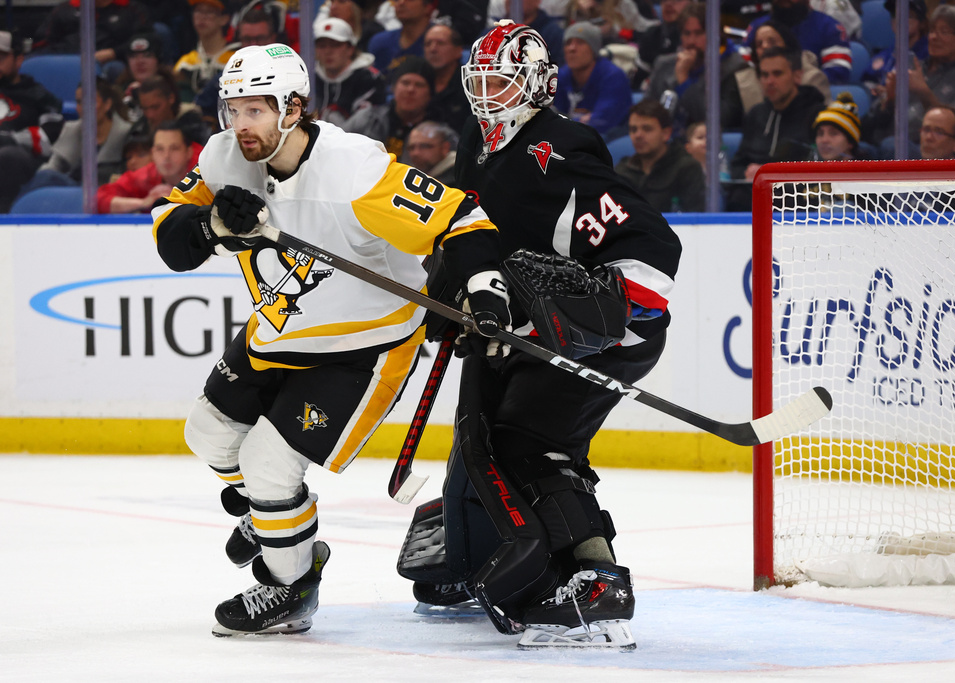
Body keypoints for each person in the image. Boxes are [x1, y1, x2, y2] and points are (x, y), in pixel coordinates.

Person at [151, 42, 509, 636]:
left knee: (268, 467)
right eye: (233, 109)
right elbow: (169, 233)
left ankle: (290, 584)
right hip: (277, 331)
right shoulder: (222, 158)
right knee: (208, 433)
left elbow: (458, 216)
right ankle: (273, 521)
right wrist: (213, 224)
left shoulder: (352, 170)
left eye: (256, 110)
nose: (241, 125)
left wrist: (484, 286)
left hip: (362, 349)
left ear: (292, 108)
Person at [397, 21, 681, 650]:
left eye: (501, 81)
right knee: (490, 438)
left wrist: (590, 314)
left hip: (603, 336)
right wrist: (456, 295)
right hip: (532, 331)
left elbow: (653, 248)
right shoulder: (481, 143)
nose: (487, 94)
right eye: (479, 82)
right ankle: (491, 557)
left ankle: (596, 581)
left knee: (531, 445)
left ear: (537, 84)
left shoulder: (559, 148)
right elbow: (475, 233)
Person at [863, 4, 955, 147]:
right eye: (932, 31)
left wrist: (924, 92)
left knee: (890, 145)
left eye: (944, 32)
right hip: (881, 145)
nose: (934, 37)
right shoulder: (912, 68)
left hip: (924, 151)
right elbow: (871, 122)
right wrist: (890, 100)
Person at [727, 46, 825, 211]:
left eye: (777, 73)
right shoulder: (755, 114)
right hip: (750, 206)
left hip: (798, 209)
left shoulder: (816, 115)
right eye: (764, 75)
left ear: (797, 76)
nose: (769, 81)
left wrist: (767, 175)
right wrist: (746, 173)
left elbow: (816, 170)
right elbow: (736, 167)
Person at [644, 3, 752, 132]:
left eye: (698, 33)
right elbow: (646, 113)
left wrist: (684, 81)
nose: (691, 41)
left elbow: (718, 120)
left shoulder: (735, 68)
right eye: (686, 33)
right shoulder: (664, 64)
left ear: (716, 34)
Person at [0, 30, 64, 213]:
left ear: (18, 60)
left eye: (1, 57)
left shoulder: (37, 95)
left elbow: (51, 135)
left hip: (18, 162)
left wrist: (9, 139)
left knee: (8, 156)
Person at [32, 78, 133, 188]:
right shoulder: (73, 129)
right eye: (79, 102)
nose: (83, 108)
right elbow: (53, 167)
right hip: (72, 193)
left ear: (107, 104)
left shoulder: (126, 134)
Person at [614, 99, 704, 212]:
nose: (638, 135)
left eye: (647, 129)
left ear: (666, 133)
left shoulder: (687, 168)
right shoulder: (622, 171)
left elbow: (695, 221)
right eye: (633, 129)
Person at [344, 56, 440, 158]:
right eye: (405, 82)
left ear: (430, 94)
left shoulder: (439, 134)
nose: (410, 89)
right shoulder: (367, 118)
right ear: (393, 88)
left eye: (419, 85)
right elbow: (338, 145)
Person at [98, 120, 201, 213]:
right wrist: (144, 202)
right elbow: (99, 199)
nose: (166, 156)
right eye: (160, 149)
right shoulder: (147, 175)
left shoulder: (205, 170)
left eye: (174, 148)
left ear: (189, 152)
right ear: (153, 154)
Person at [552, 22, 633, 137]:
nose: (572, 48)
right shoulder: (561, 75)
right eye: (568, 43)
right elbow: (549, 117)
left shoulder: (613, 77)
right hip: (573, 137)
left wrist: (567, 121)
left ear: (593, 50)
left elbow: (602, 123)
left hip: (611, 140)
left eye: (580, 42)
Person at [741, 0, 852, 84]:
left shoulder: (829, 27)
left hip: (811, 100)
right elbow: (742, 68)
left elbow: (838, 72)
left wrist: (792, 85)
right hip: (761, 96)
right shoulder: (757, 27)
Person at [33, 0, 152, 76]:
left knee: (115, 69)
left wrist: (114, 53)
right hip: (68, 60)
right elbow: (43, 41)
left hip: (108, 62)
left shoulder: (131, 9)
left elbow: (145, 39)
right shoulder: (64, 9)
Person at [313, 16, 387, 128]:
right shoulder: (308, 78)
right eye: (322, 46)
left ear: (350, 49)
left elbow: (367, 123)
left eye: (335, 45)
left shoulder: (369, 79)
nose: (328, 51)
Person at [743, 19, 830, 109]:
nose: (765, 46)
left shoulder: (812, 78)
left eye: (772, 42)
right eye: (759, 44)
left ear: (787, 45)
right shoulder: (745, 81)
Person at [174, 0, 237, 104]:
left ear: (224, 19)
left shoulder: (235, 59)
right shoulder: (185, 63)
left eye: (209, 12)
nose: (202, 17)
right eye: (198, 11)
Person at [862, 0, 930, 93]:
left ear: (922, 23)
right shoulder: (885, 55)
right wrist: (876, 91)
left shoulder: (930, 54)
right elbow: (867, 83)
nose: (900, 19)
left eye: (908, 16)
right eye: (895, 15)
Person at [129, 75, 212, 146]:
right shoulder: (138, 131)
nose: (150, 115)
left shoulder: (195, 131)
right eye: (145, 109)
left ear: (171, 99)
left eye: (155, 107)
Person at [423, 23, 471, 132]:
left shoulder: (471, 84)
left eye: (440, 43)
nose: (433, 49)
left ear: (458, 51)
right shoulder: (417, 80)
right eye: (427, 44)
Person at [367, 0, 436, 74]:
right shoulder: (380, 42)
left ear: (428, 7)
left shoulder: (440, 41)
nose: (401, 2)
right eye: (396, 0)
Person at [631, 0, 688, 89]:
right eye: (664, 0)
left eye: (677, 0)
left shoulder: (708, 36)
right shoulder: (652, 34)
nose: (668, 4)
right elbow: (638, 82)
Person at [809, 92, 868, 161]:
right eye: (820, 134)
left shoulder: (867, 170)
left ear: (850, 142)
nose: (824, 140)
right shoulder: (810, 168)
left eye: (833, 133)